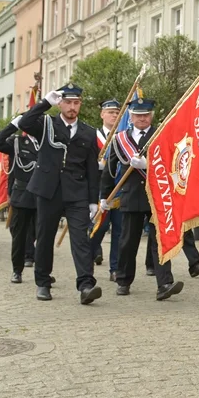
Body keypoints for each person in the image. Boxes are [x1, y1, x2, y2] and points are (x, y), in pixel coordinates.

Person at [19, 84, 102, 304]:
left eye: (76, 103)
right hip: (48, 190)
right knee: (45, 237)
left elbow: (92, 169)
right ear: (60, 103)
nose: (72, 107)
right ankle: (43, 283)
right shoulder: (47, 124)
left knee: (80, 239)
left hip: (77, 192)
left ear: (80, 104)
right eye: (68, 102)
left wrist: (93, 200)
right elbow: (24, 123)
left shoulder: (88, 131)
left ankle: (86, 285)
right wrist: (45, 103)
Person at [99, 99, 185, 301]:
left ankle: (164, 283)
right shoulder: (121, 138)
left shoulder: (162, 133)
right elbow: (110, 169)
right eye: (138, 115)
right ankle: (123, 280)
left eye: (146, 114)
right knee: (128, 241)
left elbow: (173, 161)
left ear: (151, 115)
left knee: (159, 241)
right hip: (131, 196)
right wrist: (105, 196)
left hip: (158, 195)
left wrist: (149, 165)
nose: (142, 118)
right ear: (131, 117)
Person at [0, 119, 39, 283]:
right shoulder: (16, 142)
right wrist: (13, 126)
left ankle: (43, 272)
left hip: (43, 194)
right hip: (22, 194)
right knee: (19, 235)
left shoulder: (47, 140)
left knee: (44, 235)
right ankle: (17, 270)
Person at [91, 99, 123, 276]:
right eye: (110, 112)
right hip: (97, 189)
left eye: (117, 112)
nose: (114, 115)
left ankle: (116, 269)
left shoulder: (123, 136)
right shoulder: (92, 136)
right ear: (102, 114)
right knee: (98, 228)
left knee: (119, 230)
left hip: (119, 188)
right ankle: (88, 260)